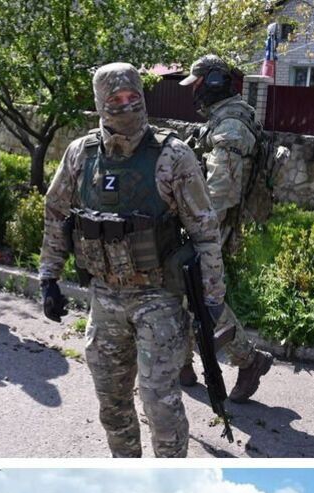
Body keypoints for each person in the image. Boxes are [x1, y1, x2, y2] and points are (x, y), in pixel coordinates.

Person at [36, 63, 227, 457]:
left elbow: (205, 232)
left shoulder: (173, 156)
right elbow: (56, 213)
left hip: (157, 297)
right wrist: (48, 277)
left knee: (160, 403)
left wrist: (212, 300)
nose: (125, 107)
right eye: (115, 101)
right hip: (104, 299)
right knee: (112, 403)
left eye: (132, 98)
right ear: (101, 105)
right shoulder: (81, 154)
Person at [174, 54, 274, 402]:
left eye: (198, 85)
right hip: (205, 224)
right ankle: (181, 364)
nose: (195, 93)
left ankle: (249, 361)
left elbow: (220, 195)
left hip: (210, 228)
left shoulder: (231, 126)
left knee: (204, 299)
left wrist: (194, 229)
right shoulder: (225, 118)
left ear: (213, 84)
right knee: (185, 293)